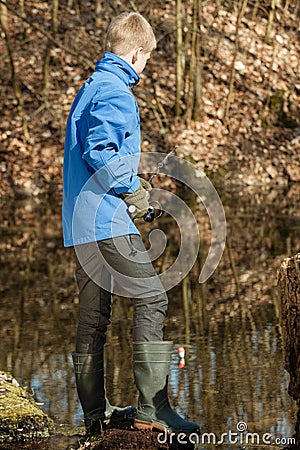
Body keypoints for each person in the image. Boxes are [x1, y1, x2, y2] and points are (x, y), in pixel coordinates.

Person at [62, 11, 199, 436]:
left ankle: (94, 418)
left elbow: (91, 148)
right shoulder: (115, 90)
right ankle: (150, 410)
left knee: (93, 320)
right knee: (153, 298)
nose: (145, 67)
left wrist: (133, 185)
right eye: (147, 60)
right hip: (105, 221)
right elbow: (100, 149)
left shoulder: (89, 88)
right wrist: (135, 193)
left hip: (81, 224)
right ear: (138, 53)